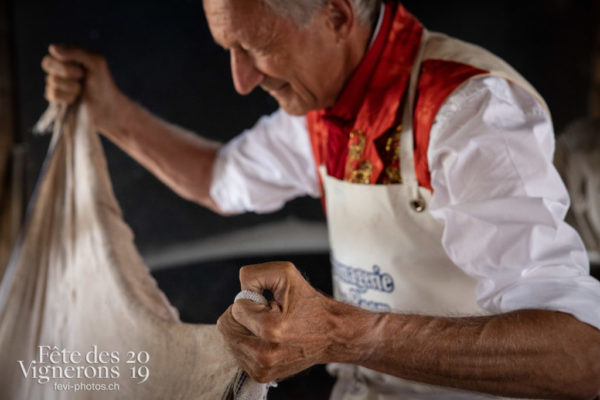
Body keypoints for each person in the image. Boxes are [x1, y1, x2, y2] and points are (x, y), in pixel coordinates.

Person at [42, 0, 600, 398]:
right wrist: (111, 112)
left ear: (335, 15)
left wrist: (339, 332)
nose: (240, 79)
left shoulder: (469, 112)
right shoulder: (320, 100)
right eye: (227, 48)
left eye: (255, 46)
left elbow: (578, 357)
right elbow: (218, 178)